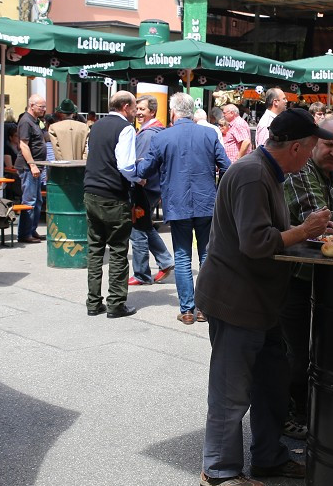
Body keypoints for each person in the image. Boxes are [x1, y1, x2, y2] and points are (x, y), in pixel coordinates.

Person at [194, 109, 333, 486]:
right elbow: (255, 243)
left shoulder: (268, 172)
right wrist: (304, 231)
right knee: (231, 387)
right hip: (237, 299)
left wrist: (306, 233)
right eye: (310, 149)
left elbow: (269, 233)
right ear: (295, 147)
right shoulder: (254, 174)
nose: (310, 157)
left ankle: (269, 456)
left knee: (272, 380)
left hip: (258, 300)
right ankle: (219, 469)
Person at [280, 115, 333, 437]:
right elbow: (321, 216)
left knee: (319, 349)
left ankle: (309, 408)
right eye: (329, 145)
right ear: (313, 145)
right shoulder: (301, 172)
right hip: (296, 276)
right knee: (294, 351)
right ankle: (287, 414)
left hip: (323, 275)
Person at [135, 93, 230, 323]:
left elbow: (145, 171)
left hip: (178, 203)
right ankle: (204, 309)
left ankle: (187, 310)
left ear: (173, 112)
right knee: (206, 255)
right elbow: (227, 166)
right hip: (206, 202)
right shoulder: (208, 134)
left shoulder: (163, 137)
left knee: (182, 255)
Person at [84, 91, 140, 319]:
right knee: (118, 249)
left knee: (95, 249)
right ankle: (116, 303)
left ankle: (93, 302)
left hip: (91, 191)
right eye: (135, 107)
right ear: (126, 107)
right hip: (112, 194)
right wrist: (138, 177)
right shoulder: (126, 128)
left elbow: (91, 154)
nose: (136, 112)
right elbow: (125, 165)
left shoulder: (95, 126)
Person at [128, 96, 174, 287]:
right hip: (152, 188)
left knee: (137, 228)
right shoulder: (156, 131)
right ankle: (165, 261)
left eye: (142, 109)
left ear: (152, 112)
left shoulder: (147, 134)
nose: (138, 112)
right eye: (137, 108)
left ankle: (141, 274)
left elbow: (141, 165)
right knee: (145, 225)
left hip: (144, 188)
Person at [13, 96, 47, 243]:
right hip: (28, 167)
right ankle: (24, 233)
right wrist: (32, 165)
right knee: (30, 200)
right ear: (32, 105)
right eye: (41, 107)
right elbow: (23, 145)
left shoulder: (34, 121)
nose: (44, 109)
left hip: (36, 166)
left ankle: (31, 230)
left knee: (37, 200)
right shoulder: (26, 121)